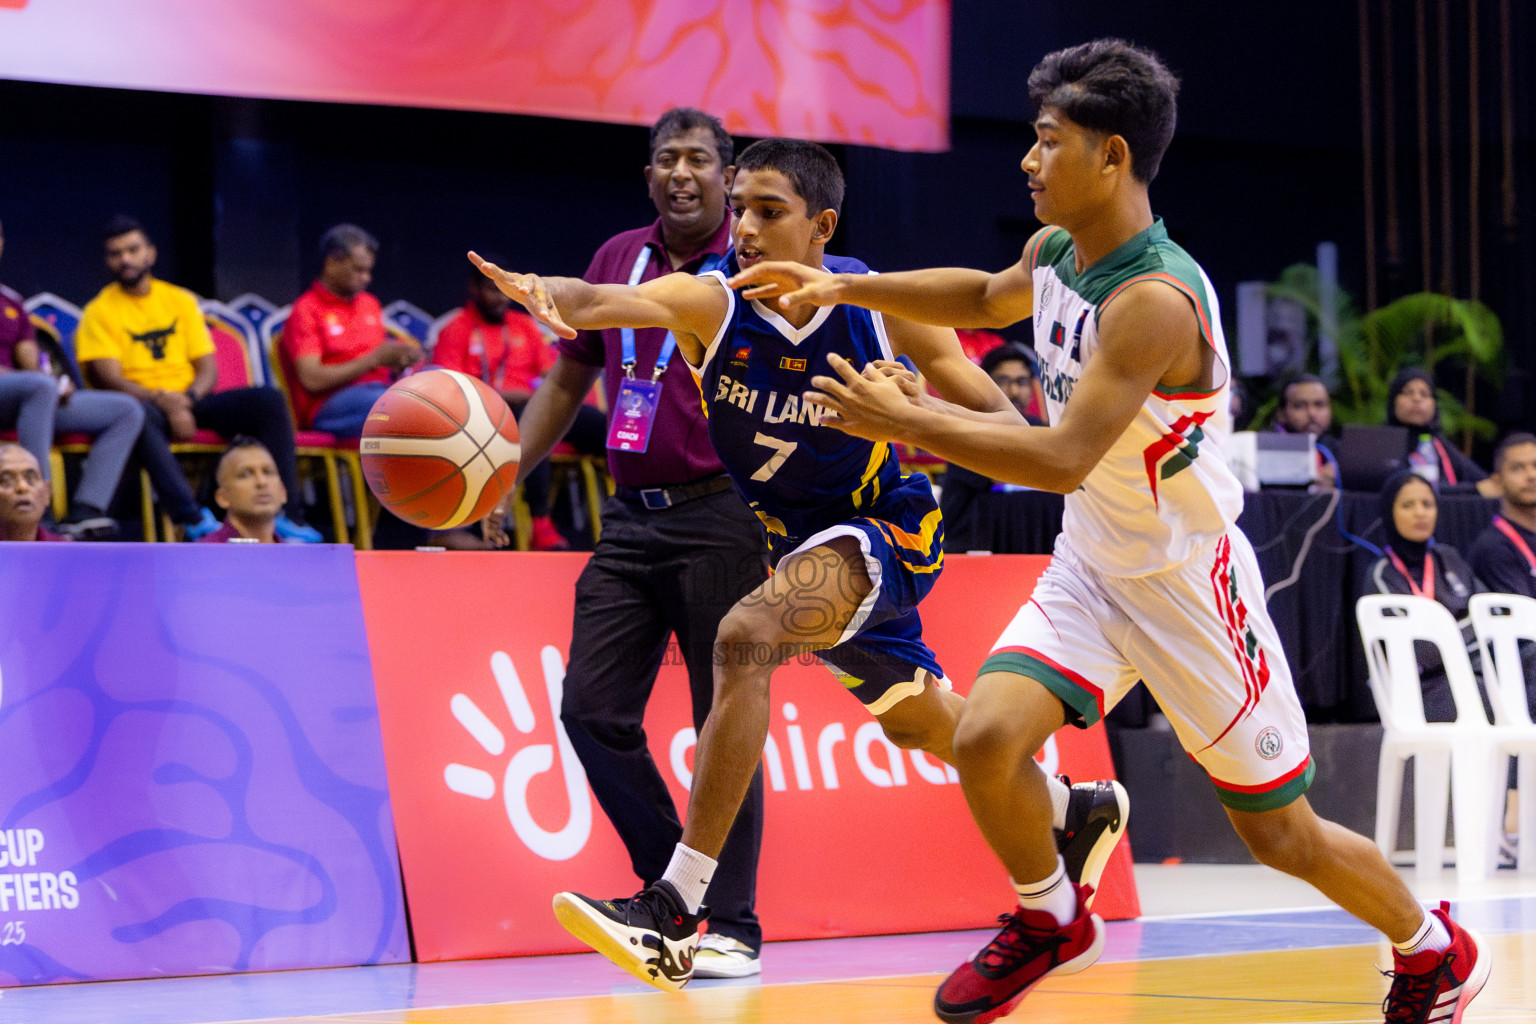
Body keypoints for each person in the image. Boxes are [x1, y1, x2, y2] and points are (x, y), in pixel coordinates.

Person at [729, 38, 1488, 1024]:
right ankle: (1051, 915)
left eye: (1048, 142)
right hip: (1093, 563)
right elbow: (983, 296)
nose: (1028, 162)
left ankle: (1433, 948)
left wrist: (907, 420)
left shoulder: (1152, 304)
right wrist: (844, 285)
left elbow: (1057, 461)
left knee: (1282, 836)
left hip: (1186, 586)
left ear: (1114, 156)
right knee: (990, 740)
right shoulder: (1054, 251)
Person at [474, 134, 1128, 993]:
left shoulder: (880, 311)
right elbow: (597, 301)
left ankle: (675, 908)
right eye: (739, 207)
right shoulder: (710, 306)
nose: (743, 226)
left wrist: (916, 417)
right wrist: (545, 293)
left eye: (767, 211)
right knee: (923, 723)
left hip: (884, 530)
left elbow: (1015, 435)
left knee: (745, 635)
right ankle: (1068, 809)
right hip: (797, 546)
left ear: (821, 226)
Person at [479, 107, 772, 979]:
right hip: (631, 519)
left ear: (727, 177)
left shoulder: (751, 265)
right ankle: (670, 892)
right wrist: (509, 472)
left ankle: (736, 926)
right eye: (665, 160)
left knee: (720, 722)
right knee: (591, 711)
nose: (680, 173)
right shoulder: (617, 258)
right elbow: (569, 381)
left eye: (698, 160)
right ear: (649, 176)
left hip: (725, 512)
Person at [75, 215, 319, 542]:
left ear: (151, 253)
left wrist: (187, 401)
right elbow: (109, 378)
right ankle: (192, 519)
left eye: (133, 250)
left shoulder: (180, 300)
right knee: (136, 415)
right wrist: (165, 402)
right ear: (107, 260)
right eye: (116, 253)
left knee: (267, 400)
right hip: (144, 404)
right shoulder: (99, 311)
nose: (126, 259)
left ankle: (286, 515)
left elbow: (208, 367)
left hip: (190, 399)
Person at [433, 259, 606, 550]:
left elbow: (555, 377)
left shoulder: (525, 326)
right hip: (483, 417)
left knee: (599, 424)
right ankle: (540, 523)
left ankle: (641, 510)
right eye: (491, 290)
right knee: (528, 422)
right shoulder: (455, 329)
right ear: (473, 289)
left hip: (530, 404)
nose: (500, 298)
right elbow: (447, 389)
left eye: (504, 290)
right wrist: (508, 395)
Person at [0, 216, 143, 540]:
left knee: (125, 410)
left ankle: (86, 511)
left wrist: (55, 385)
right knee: (37, 387)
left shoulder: (10, 301)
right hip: (20, 391)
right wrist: (41, 384)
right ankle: (40, 511)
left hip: (21, 397)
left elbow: (30, 366)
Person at [1368, 469, 1487, 721]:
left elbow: (1485, 615)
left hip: (1473, 673)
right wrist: (1466, 633)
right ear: (1390, 512)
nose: (1420, 512)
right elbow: (1419, 648)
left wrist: (1452, 635)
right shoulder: (1381, 574)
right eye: (1408, 505)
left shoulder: (1449, 558)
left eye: (1427, 504)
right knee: (1488, 695)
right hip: (1421, 688)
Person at [282, 224, 422, 439]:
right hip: (330, 405)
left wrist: (399, 362)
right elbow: (312, 379)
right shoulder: (306, 310)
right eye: (358, 270)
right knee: (403, 404)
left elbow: (381, 364)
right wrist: (373, 359)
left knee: (440, 383)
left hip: (380, 391)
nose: (367, 278)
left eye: (368, 270)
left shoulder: (369, 304)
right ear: (332, 262)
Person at [939, 342, 1044, 552]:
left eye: (1022, 381)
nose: (1014, 391)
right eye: (1003, 381)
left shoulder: (1041, 429)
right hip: (970, 544)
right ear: (986, 384)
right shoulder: (968, 428)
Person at [1386, 367, 1499, 497]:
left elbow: (1481, 481)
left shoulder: (1438, 444)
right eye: (1408, 393)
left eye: (1424, 394)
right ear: (1393, 401)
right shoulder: (1383, 441)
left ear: (1434, 404)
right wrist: (1473, 490)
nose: (1417, 399)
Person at [197, 437, 287, 544]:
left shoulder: (296, 556)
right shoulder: (203, 554)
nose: (262, 482)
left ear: (283, 491)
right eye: (246, 474)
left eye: (268, 472)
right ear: (222, 497)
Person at [1272, 372, 1337, 488]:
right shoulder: (1267, 455)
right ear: (1281, 414)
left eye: (1320, 405)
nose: (1312, 413)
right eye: (1300, 406)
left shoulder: (1341, 453)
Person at [0, 443, 69, 541]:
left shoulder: (67, 551)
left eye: (31, 479)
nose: (22, 487)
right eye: (6, 480)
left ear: (47, 492)